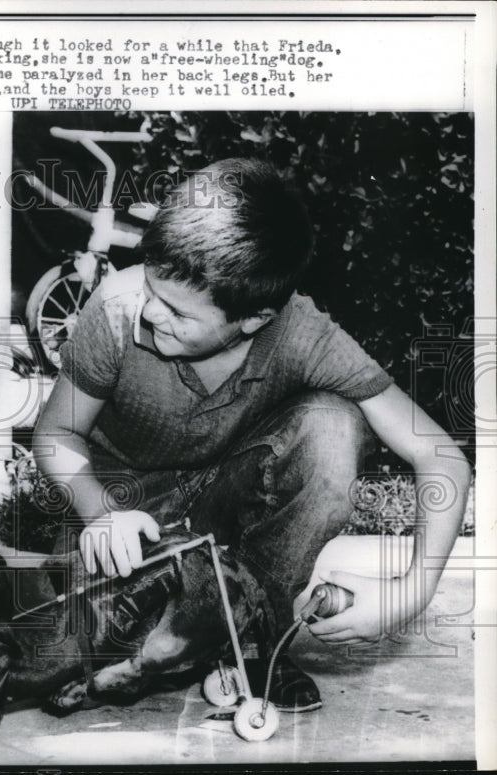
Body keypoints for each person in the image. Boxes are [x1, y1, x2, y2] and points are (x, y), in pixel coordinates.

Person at [33, 157, 470, 712]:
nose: (150, 313)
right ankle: (205, 636)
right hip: (128, 513)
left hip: (229, 504)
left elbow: (442, 458)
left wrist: (413, 591)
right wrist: (100, 513)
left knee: (332, 425)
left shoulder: (303, 334)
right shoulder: (117, 306)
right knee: (74, 661)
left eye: (177, 313)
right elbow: (56, 432)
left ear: (255, 317)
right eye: (151, 287)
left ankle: (254, 633)